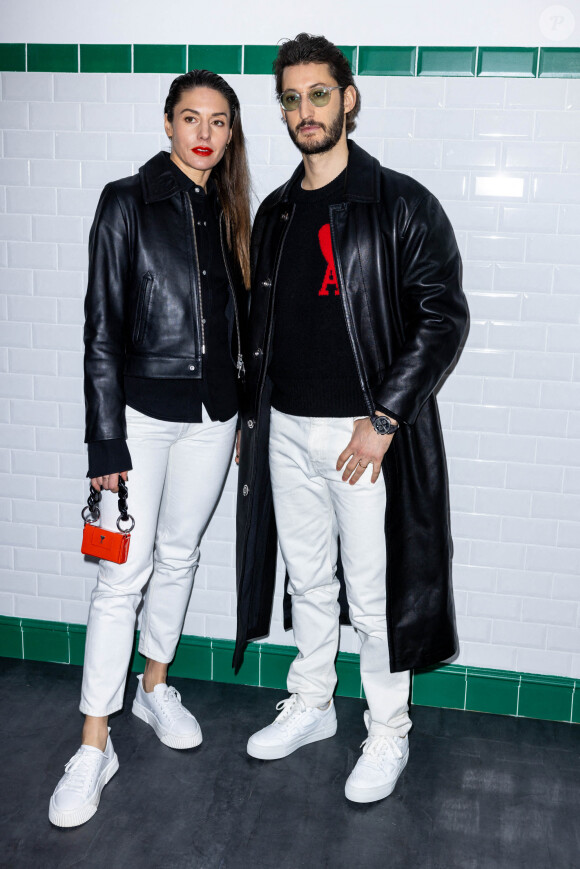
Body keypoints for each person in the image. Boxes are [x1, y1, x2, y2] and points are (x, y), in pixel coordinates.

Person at [235, 33, 468, 804]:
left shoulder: (400, 202)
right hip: (286, 429)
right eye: (292, 99)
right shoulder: (273, 212)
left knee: (373, 597)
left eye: (319, 94)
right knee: (308, 581)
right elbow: (258, 328)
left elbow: (442, 318)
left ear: (349, 99)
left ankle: (389, 730)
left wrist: (386, 417)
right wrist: (252, 421)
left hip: (361, 436)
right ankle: (311, 704)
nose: (305, 111)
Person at [49, 70, 250, 828]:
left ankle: (154, 683)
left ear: (231, 133)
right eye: (191, 117)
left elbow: (243, 330)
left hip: (213, 417)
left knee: (180, 556)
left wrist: (243, 419)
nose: (205, 132)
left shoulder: (232, 211)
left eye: (220, 121)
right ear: (167, 124)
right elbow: (101, 326)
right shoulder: (125, 200)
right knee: (119, 578)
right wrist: (105, 438)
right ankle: (95, 744)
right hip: (138, 414)